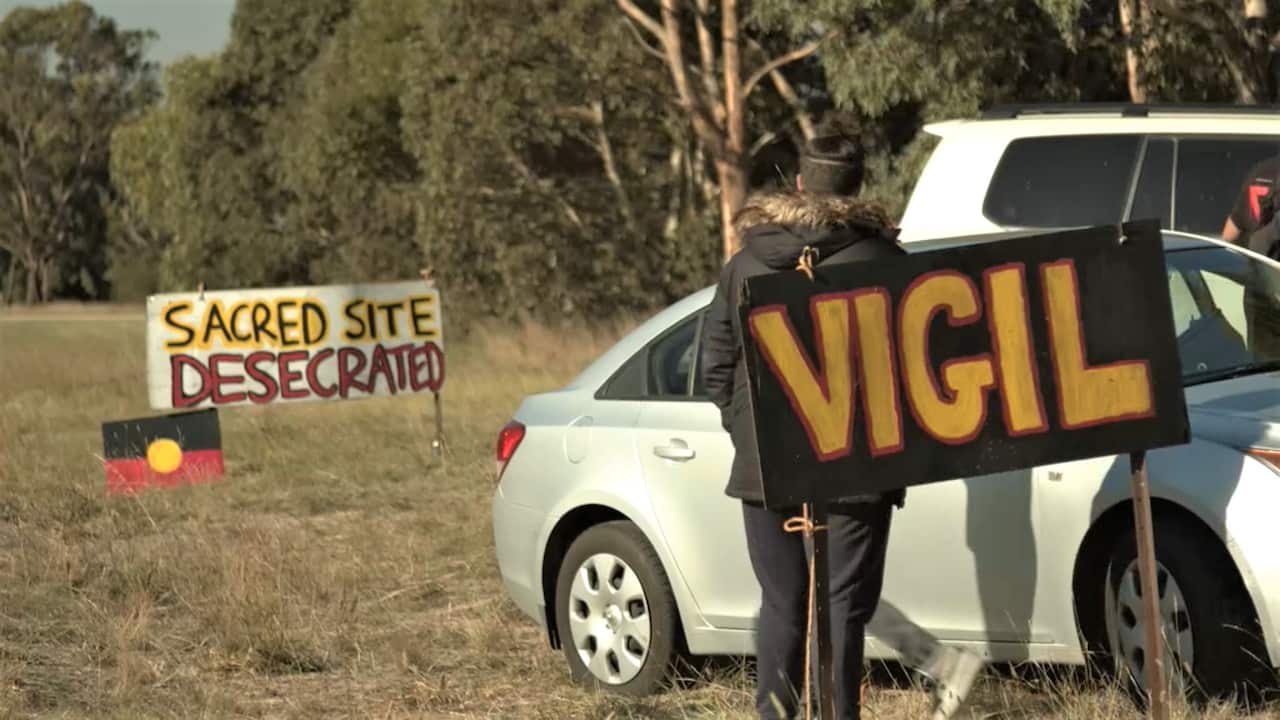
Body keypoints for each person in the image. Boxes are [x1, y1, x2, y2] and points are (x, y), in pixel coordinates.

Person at [700, 130, 985, 720]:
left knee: (782, 603)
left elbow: (714, 367)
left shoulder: (747, 260)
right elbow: (924, 372)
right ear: (858, 187)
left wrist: (751, 431)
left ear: (800, 182)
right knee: (842, 605)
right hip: (859, 461)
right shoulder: (885, 261)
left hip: (768, 467)